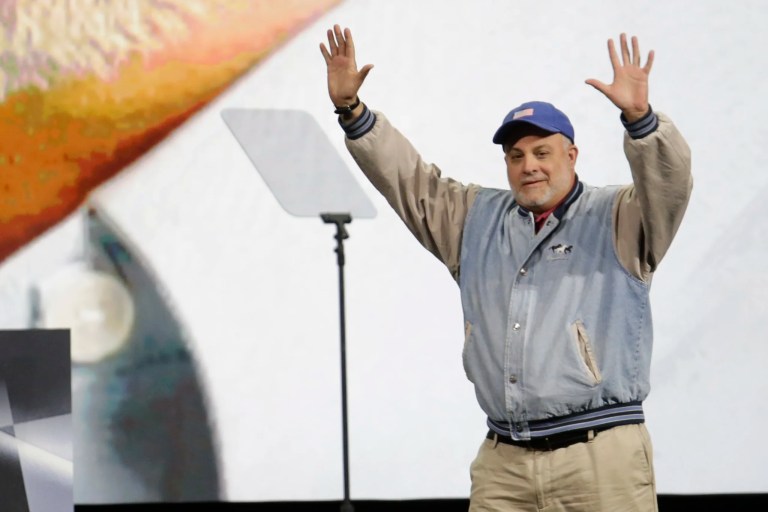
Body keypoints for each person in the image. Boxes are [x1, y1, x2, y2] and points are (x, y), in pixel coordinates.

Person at [320, 24, 691, 512]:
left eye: (542, 152)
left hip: (600, 460)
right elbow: (412, 183)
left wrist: (642, 122)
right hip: (505, 464)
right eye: (515, 156)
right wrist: (353, 113)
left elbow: (669, 184)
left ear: (572, 156)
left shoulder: (619, 216)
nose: (528, 165)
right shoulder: (477, 219)